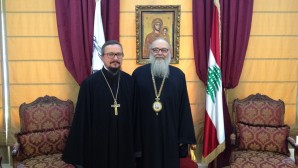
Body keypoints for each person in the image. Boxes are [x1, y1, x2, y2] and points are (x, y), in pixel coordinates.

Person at [62, 40, 138, 168]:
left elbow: (136, 116)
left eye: (119, 55)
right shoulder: (89, 84)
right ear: (102, 57)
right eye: (111, 54)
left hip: (125, 142)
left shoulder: (130, 82)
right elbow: (82, 119)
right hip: (98, 143)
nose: (115, 58)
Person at [133, 37, 196, 168]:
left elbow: (184, 107)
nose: (160, 53)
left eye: (164, 50)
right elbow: (133, 108)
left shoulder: (178, 75)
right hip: (145, 134)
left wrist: (183, 137)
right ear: (150, 51)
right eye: (156, 50)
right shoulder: (138, 74)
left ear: (169, 52)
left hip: (170, 134)